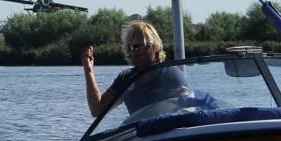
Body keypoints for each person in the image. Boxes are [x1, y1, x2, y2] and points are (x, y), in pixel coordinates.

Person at [81, 20, 211, 120]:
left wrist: (185, 99)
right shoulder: (126, 78)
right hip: (140, 138)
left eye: (146, 45)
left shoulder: (171, 74)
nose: (141, 50)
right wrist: (89, 71)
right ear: (129, 51)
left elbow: (189, 111)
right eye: (136, 46)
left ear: (156, 48)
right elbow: (97, 110)